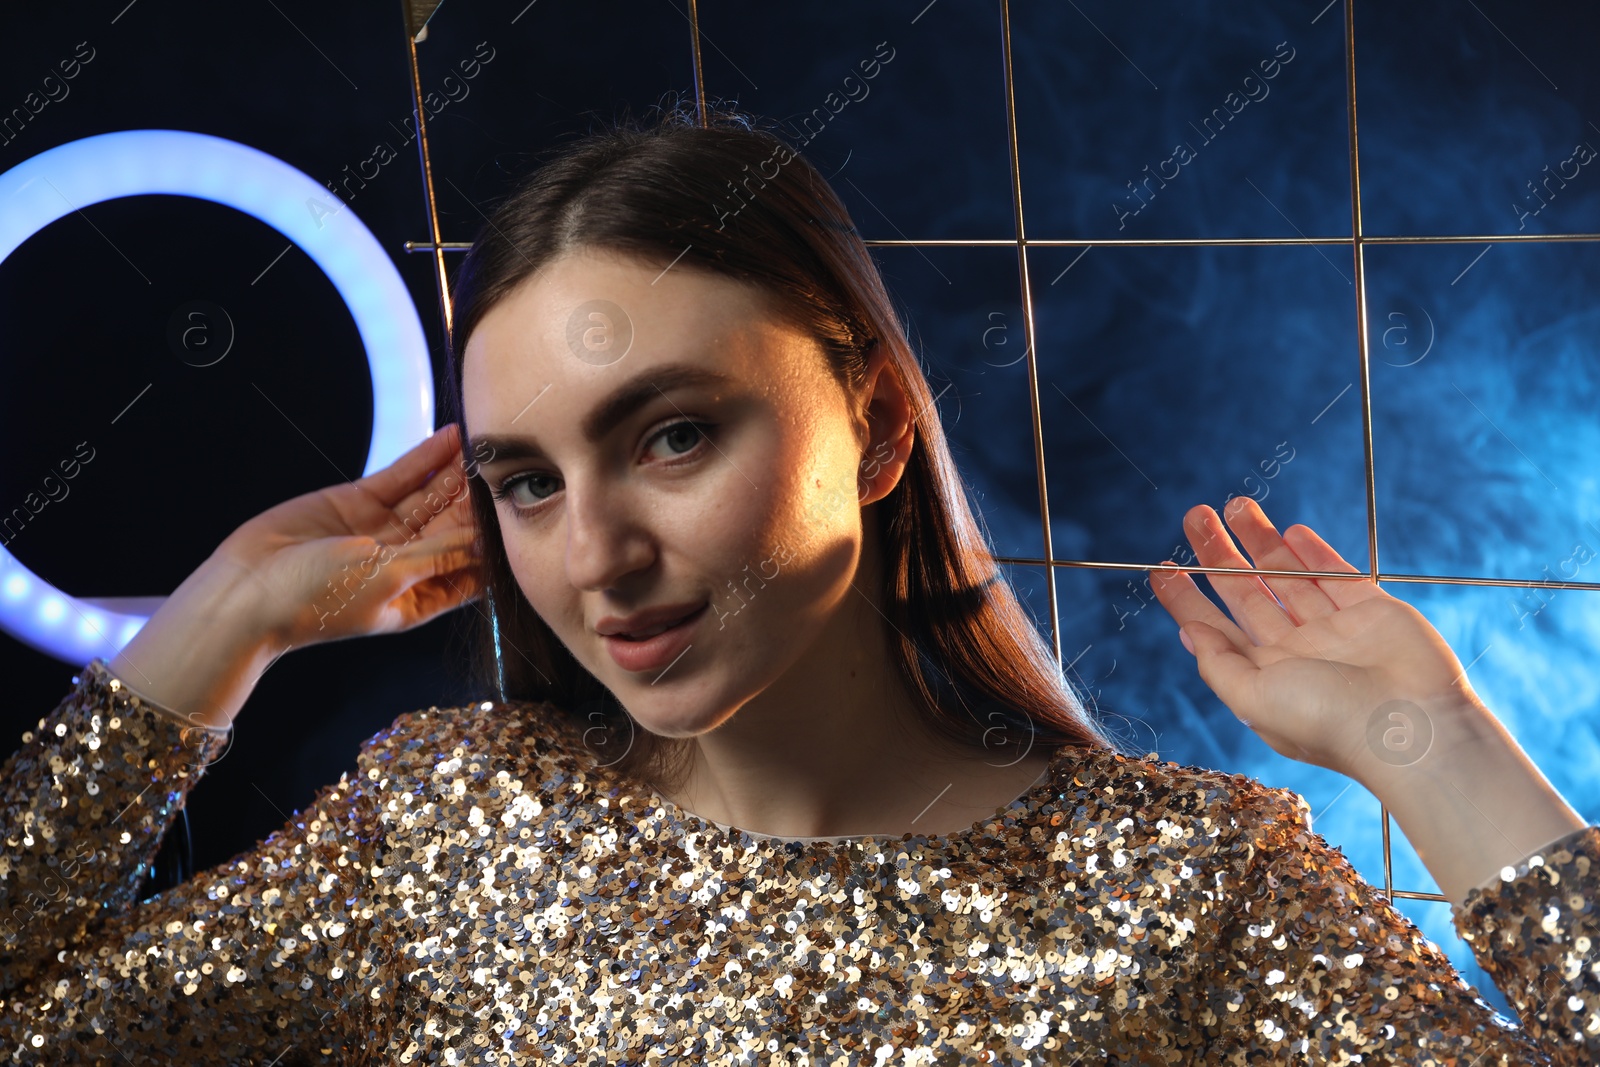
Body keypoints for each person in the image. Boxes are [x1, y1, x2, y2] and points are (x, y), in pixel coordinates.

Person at [0, 103, 1594, 1065]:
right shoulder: (449, 824)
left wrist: (1441, 753)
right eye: (528, 484)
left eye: (675, 436)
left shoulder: (1182, 888)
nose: (597, 556)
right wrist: (221, 624)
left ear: (882, 425)